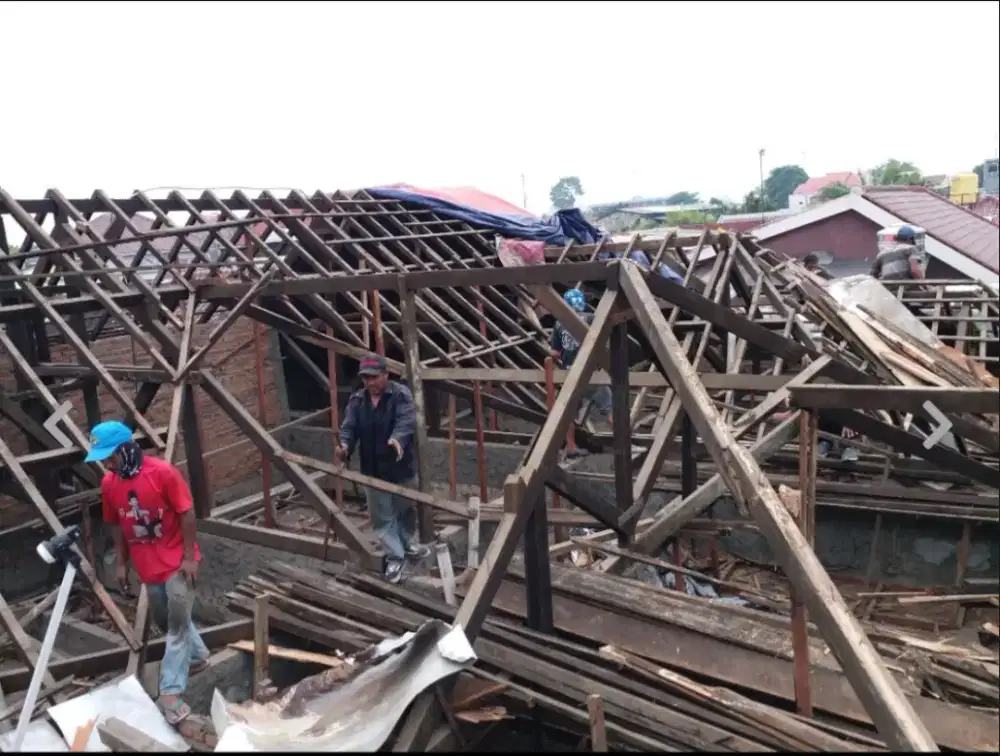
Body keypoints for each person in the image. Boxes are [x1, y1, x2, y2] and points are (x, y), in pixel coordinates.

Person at [88, 420, 207, 725]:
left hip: (178, 562)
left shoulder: (162, 473)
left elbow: (186, 512)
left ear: (127, 448)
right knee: (165, 622)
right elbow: (115, 522)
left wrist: (189, 558)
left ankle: (170, 693)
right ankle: (199, 657)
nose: (107, 463)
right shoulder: (110, 484)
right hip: (147, 566)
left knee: (177, 626)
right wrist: (122, 562)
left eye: (110, 456)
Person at [336, 354, 430, 584]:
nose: (370, 382)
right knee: (382, 517)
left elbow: (406, 422)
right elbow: (349, 427)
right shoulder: (357, 401)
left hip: (400, 466)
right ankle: (395, 557)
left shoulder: (400, 395)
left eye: (374, 377)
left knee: (405, 512)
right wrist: (344, 445)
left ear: (386, 375)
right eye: (366, 378)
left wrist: (397, 440)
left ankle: (407, 545)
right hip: (373, 468)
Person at [551, 289, 613, 455]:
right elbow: (602, 343)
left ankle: (571, 447)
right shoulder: (591, 319)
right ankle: (626, 445)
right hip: (589, 372)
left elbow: (555, 353)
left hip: (569, 374)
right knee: (610, 407)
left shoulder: (559, 323)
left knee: (568, 412)